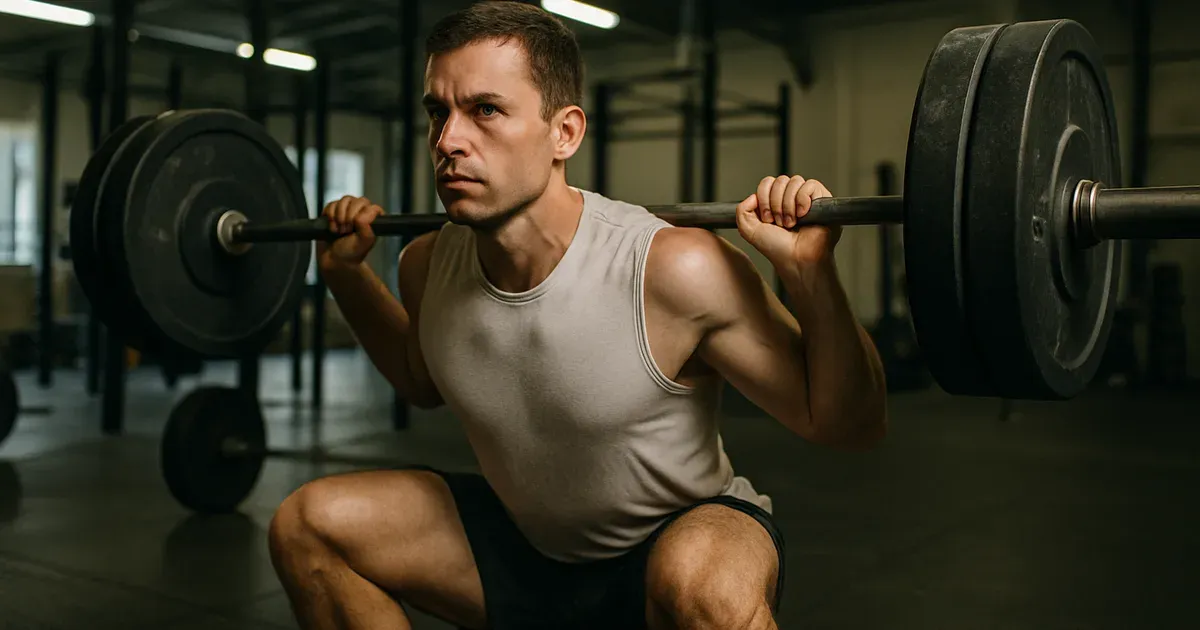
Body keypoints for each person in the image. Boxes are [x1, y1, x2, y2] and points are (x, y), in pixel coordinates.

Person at [267, 2, 887, 629]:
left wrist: (812, 276)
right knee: (308, 525)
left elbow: (846, 425)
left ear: (564, 133)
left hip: (670, 546)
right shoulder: (428, 264)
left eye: (485, 109)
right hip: (525, 550)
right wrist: (346, 275)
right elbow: (420, 380)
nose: (448, 140)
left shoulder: (672, 267)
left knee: (709, 590)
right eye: (438, 111)